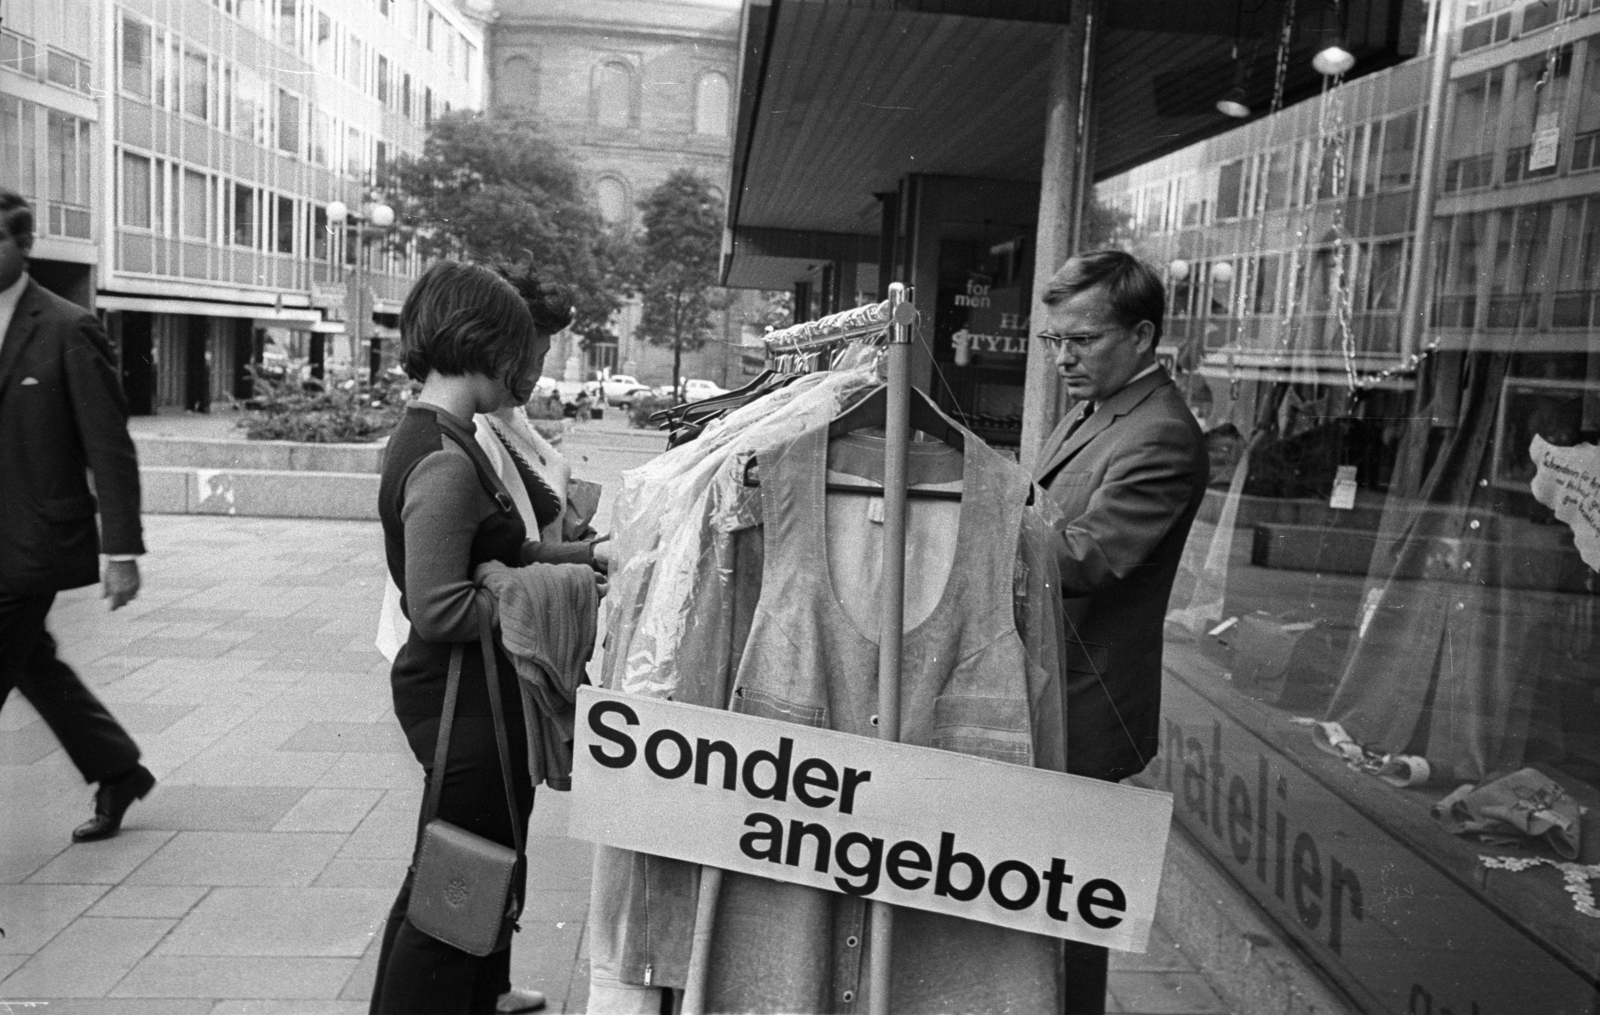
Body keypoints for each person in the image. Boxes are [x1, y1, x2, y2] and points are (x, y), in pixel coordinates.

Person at [368, 261, 604, 1015]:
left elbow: (504, 555)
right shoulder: (445, 457)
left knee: (456, 875)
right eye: (517, 348)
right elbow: (439, 606)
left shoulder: (448, 437)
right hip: (463, 703)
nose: (526, 365)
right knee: (455, 888)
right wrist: (541, 590)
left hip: (472, 699)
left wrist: (584, 562)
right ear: (483, 344)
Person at [1029, 250, 1209, 1015]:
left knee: (1069, 924)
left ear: (1141, 336)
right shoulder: (1096, 405)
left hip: (1085, 708)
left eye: (1083, 340)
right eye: (1053, 341)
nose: (1063, 358)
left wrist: (965, 524)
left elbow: (1087, 555)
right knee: (1034, 904)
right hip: (1051, 691)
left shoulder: (1161, 435)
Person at [0, 190, 156, 845]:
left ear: (25, 243)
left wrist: (121, 551)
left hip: (34, 544)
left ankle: (118, 770)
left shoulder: (68, 325)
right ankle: (117, 769)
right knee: (33, 663)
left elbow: (108, 446)